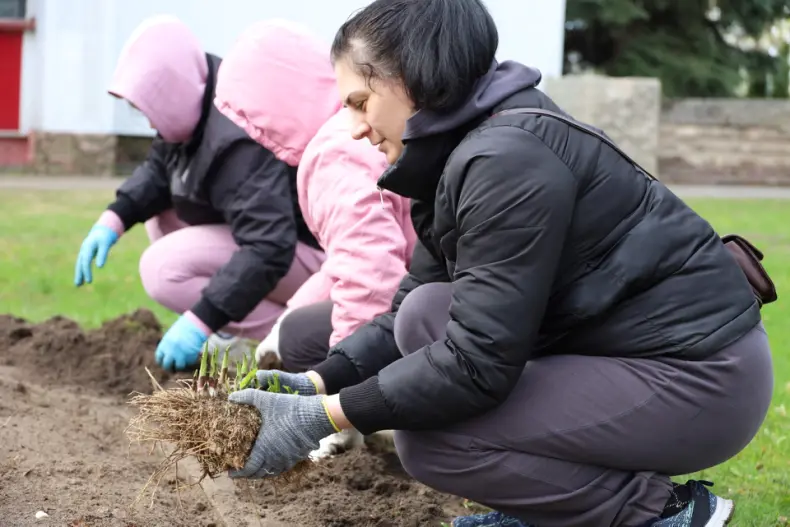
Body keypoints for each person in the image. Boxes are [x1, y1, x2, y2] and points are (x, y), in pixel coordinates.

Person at [224, 1, 774, 526]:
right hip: (633, 354)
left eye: (359, 102)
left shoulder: (507, 159)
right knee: (423, 312)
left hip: (700, 377)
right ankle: (561, 511)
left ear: (410, 78)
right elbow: (403, 320)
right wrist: (318, 382)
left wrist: (328, 416)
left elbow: (477, 363)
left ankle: (660, 513)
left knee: (434, 443)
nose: (354, 127)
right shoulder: (459, 151)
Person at [73, 15, 325, 372]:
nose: (148, 122)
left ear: (172, 90)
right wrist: (114, 218)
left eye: (149, 109)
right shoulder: (198, 96)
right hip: (275, 245)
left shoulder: (238, 136)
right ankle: (235, 335)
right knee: (161, 219)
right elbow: (160, 170)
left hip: (312, 257)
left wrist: (202, 319)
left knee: (163, 269)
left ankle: (296, 341)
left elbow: (269, 246)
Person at [214, 19, 417, 458]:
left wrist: (337, 407)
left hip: (431, 315)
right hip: (435, 294)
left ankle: (402, 423)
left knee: (301, 339)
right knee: (295, 325)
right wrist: (285, 316)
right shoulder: (365, 125)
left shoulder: (333, 153)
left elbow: (370, 280)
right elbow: (348, 259)